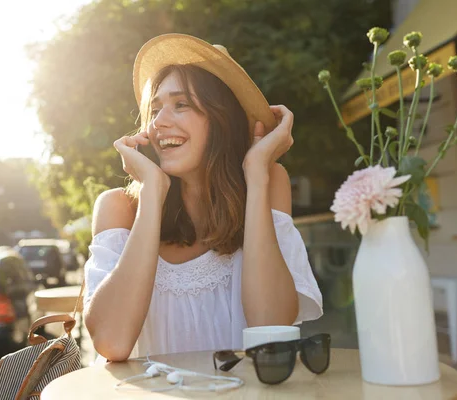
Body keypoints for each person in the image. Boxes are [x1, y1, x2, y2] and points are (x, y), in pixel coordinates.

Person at [83, 33, 322, 362]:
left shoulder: (267, 183)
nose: (159, 123)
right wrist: (152, 192)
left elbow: (271, 327)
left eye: (181, 105)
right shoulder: (119, 207)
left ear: (223, 118)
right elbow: (113, 342)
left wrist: (256, 170)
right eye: (155, 110)